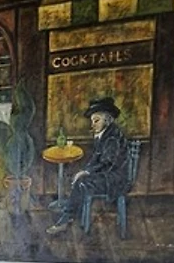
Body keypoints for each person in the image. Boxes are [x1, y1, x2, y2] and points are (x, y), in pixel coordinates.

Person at [46, 97, 130, 235]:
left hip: (115, 179)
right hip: (108, 175)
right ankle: (71, 216)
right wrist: (85, 170)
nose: (93, 125)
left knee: (81, 183)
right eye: (92, 121)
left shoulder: (112, 137)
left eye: (96, 120)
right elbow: (96, 158)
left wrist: (87, 173)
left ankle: (66, 219)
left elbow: (107, 163)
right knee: (79, 179)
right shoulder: (104, 134)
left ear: (107, 119)